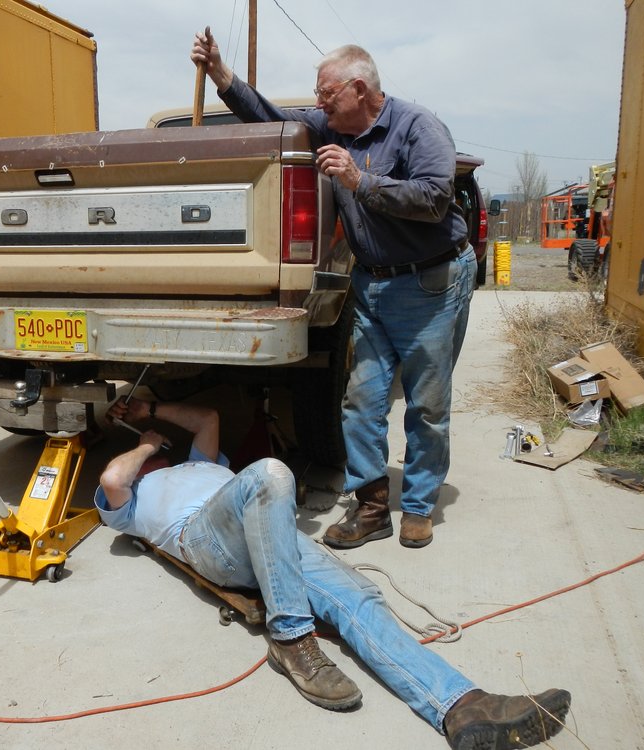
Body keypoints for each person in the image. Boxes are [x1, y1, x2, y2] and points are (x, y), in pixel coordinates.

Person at [94, 397, 571, 750]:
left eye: (158, 452)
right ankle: (291, 639)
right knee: (270, 474)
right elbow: (113, 479)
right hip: (205, 539)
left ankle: (463, 707)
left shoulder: (203, 465)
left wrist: (150, 408)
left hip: (270, 530)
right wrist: (146, 444)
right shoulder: (130, 500)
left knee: (358, 598)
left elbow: (209, 419)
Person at [190, 29, 478, 550]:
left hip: (430, 283)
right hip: (371, 285)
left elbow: (436, 198)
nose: (318, 103)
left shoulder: (418, 127)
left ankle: (416, 504)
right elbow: (270, 117)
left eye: (326, 94)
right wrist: (221, 76)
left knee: (426, 404)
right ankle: (371, 507)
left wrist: (359, 182)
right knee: (361, 399)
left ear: (360, 90)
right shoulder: (329, 126)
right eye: (318, 95)